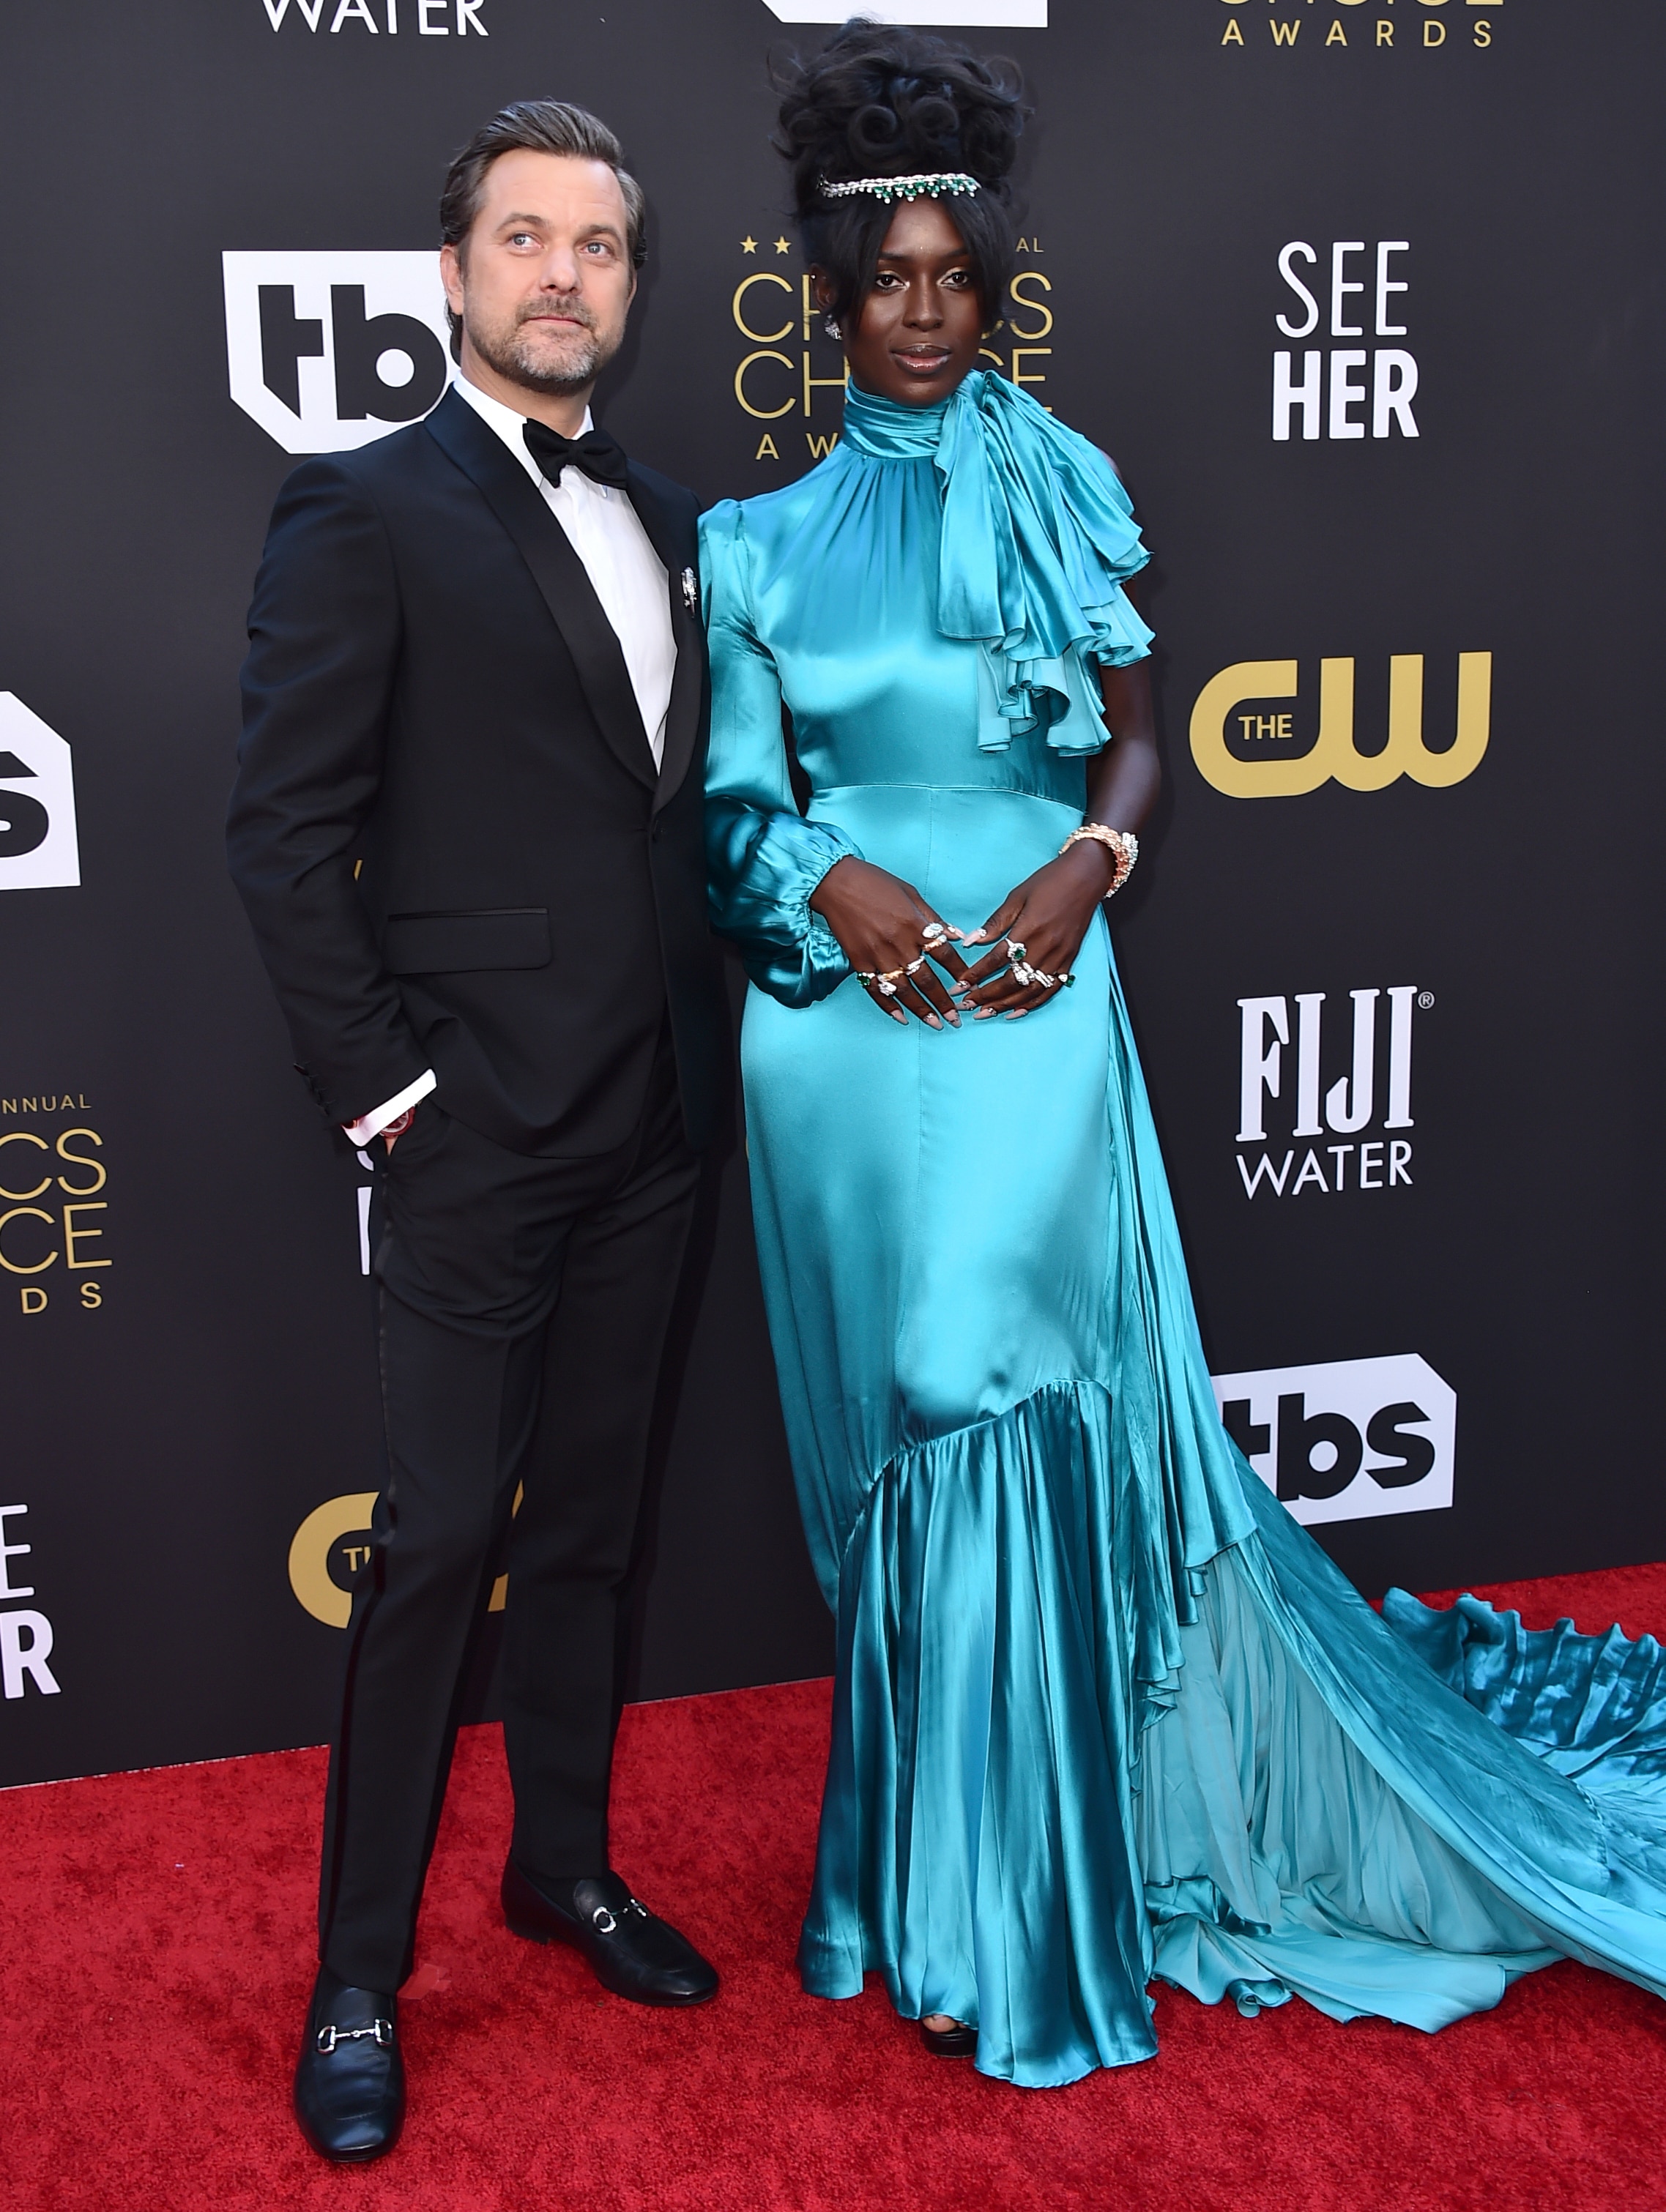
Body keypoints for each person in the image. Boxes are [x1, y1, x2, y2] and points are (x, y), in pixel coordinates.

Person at [702, 22, 1666, 2089]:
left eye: (958, 278)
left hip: (1041, 996)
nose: (926, 315)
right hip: (841, 1038)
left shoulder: (1061, 473)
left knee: (990, 1381)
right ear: (823, 292)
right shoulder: (750, 545)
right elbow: (719, 810)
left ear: (992, 287)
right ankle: (903, 1871)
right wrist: (826, 883)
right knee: (892, 1436)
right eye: (889, 280)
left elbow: (1137, 725)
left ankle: (1023, 1896)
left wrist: (1090, 860)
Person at [228, 100, 731, 2161]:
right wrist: (389, 1099)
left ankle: (563, 1866)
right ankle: (357, 1976)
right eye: (521, 238)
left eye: (593, 246)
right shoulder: (363, 506)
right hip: (469, 1134)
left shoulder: (676, 515)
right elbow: (281, 833)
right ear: (453, 276)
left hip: (657, 1126)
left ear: (628, 279)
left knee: (597, 1530)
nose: (558, 274)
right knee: (439, 1545)